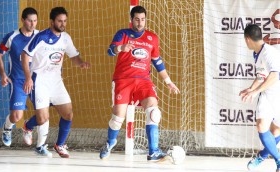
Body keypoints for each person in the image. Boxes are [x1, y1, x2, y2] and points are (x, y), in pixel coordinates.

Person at [99, 6, 180, 161]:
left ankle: (153, 151)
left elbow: (157, 61)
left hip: (143, 81)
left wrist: (168, 82)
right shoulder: (123, 34)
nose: (140, 22)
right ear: (131, 20)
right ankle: (110, 143)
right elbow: (110, 51)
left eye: (143, 19)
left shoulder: (152, 38)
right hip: (123, 80)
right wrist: (121, 47)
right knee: (117, 119)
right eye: (137, 19)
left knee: (154, 111)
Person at [21, 6, 90, 158]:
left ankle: (60, 145)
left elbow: (73, 56)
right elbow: (24, 56)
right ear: (52, 22)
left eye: (65, 21)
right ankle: (28, 127)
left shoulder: (66, 38)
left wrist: (81, 63)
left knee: (68, 114)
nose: (63, 24)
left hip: (56, 81)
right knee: (43, 119)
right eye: (59, 21)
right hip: (39, 81)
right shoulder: (41, 37)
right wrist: (27, 78)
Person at [0, 7, 51, 157]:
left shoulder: (41, 36)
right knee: (16, 117)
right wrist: (3, 75)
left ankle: (28, 128)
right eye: (29, 20)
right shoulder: (12, 37)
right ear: (22, 20)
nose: (33, 24)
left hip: (37, 81)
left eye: (35, 21)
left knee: (43, 115)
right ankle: (7, 128)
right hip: (18, 80)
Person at [239, 24, 280, 172]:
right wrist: (251, 89)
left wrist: (256, 91)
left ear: (247, 39)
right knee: (261, 125)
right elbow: (261, 76)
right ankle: (279, 161)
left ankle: (262, 156)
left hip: (278, 94)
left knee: (276, 131)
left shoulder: (270, 53)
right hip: (267, 94)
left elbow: (275, 75)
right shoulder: (257, 53)